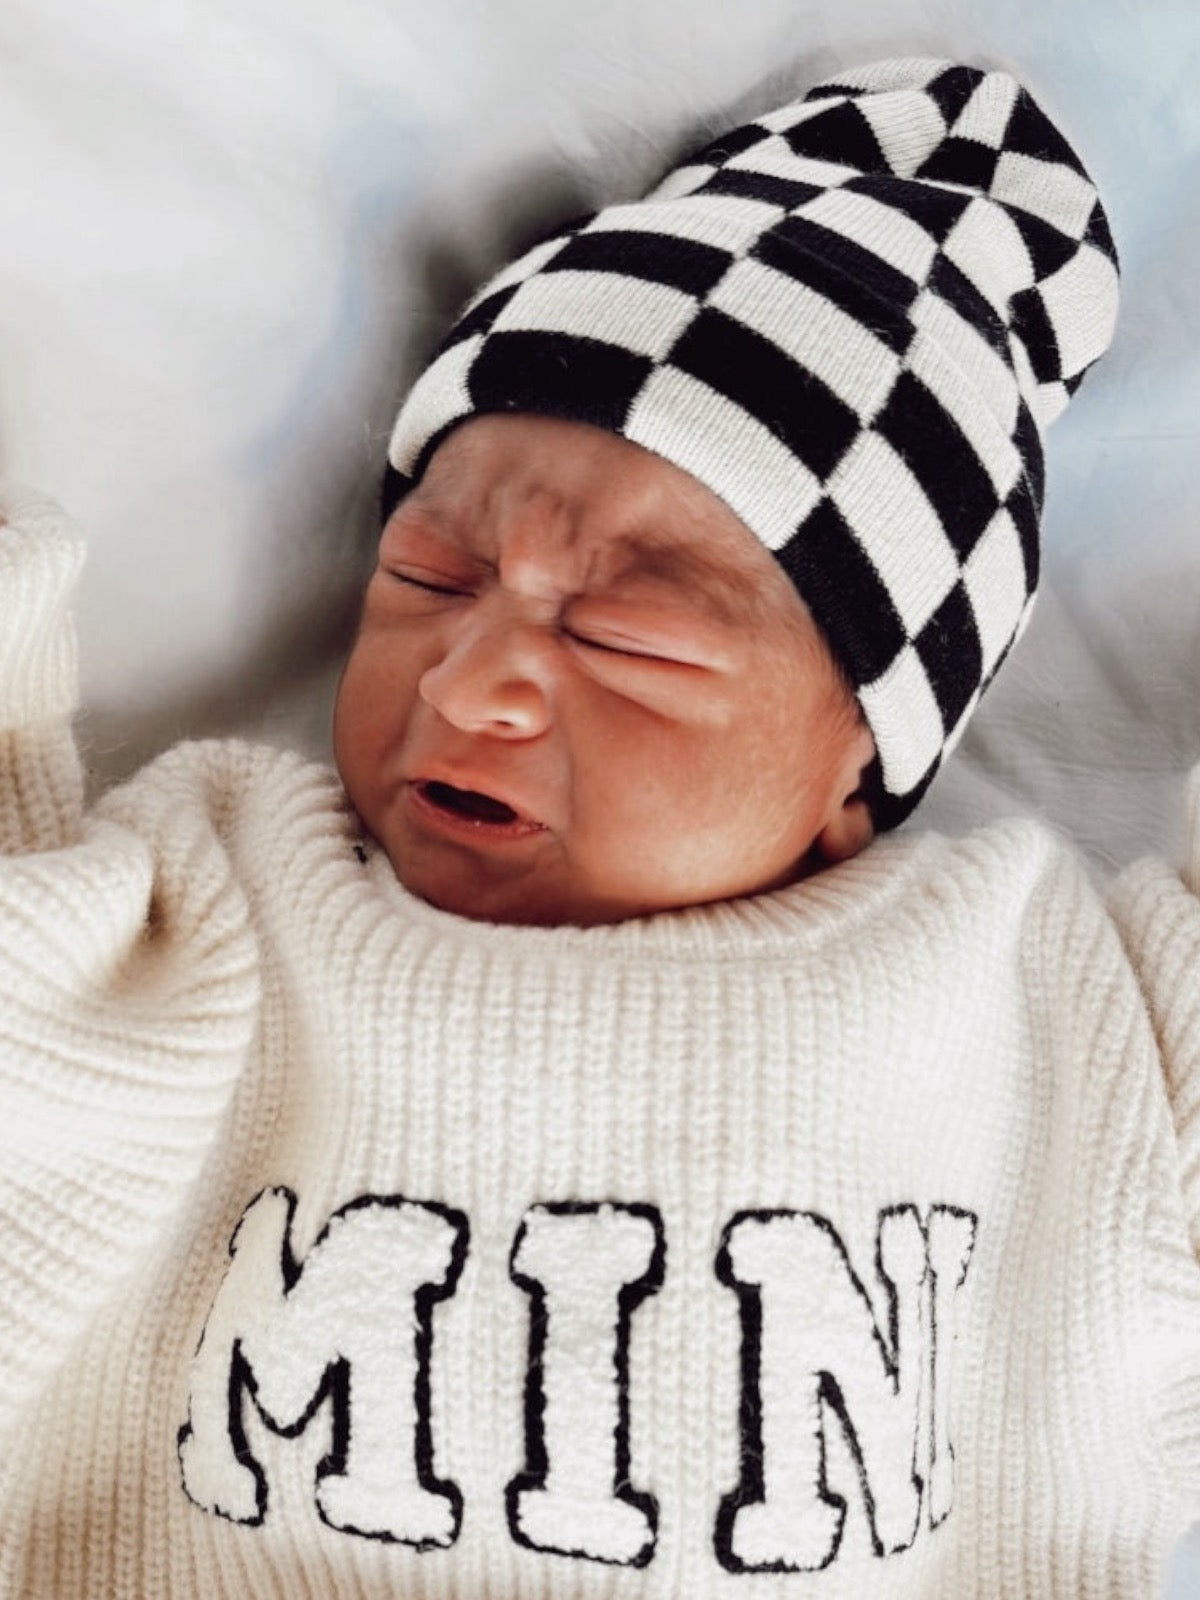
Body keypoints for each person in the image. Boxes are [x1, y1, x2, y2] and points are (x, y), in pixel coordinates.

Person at [0, 55, 1196, 1600]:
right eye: (425, 580)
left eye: (632, 636)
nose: (475, 675)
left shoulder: (1045, 1013)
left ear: (862, 761)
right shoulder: (231, 896)